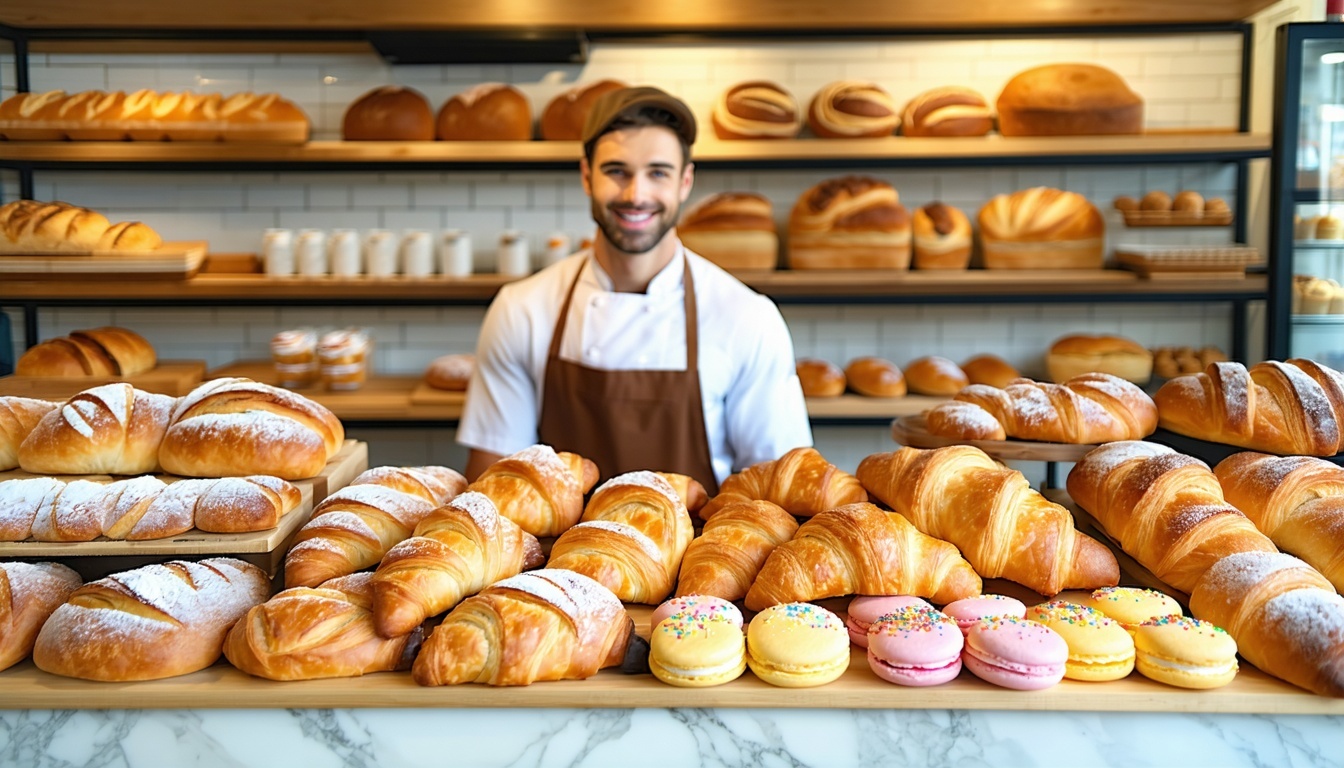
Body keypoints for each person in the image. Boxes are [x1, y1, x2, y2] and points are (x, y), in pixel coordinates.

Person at [457, 85, 811, 493]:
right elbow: (493, 485)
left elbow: (779, 492)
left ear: (684, 182)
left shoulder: (747, 317)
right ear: (587, 176)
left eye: (657, 173)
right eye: (616, 171)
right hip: (559, 555)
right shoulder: (522, 309)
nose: (636, 195)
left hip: (699, 555)